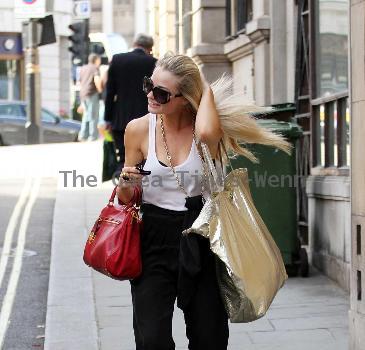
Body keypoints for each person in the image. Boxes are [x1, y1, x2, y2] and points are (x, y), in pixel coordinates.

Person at [116, 54, 291, 350]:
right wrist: (125, 185)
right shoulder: (137, 129)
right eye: (149, 85)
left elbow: (208, 131)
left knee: (209, 338)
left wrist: (204, 87)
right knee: (151, 339)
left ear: (185, 99)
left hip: (203, 236)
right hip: (153, 238)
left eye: (161, 93)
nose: (150, 96)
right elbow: (128, 199)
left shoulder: (207, 129)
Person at [104, 33, 157, 174]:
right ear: (150, 48)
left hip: (120, 118)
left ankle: (121, 177)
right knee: (143, 157)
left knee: (123, 156)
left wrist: (108, 119)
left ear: (134, 44)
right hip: (145, 118)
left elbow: (110, 92)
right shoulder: (153, 62)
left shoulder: (117, 60)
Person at [78, 53, 103, 141]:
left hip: (83, 94)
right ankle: (93, 136)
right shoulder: (94, 68)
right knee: (93, 115)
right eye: (99, 60)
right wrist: (101, 91)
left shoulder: (83, 68)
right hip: (92, 93)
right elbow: (97, 80)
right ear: (96, 60)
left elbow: (80, 82)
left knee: (86, 115)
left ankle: (83, 135)